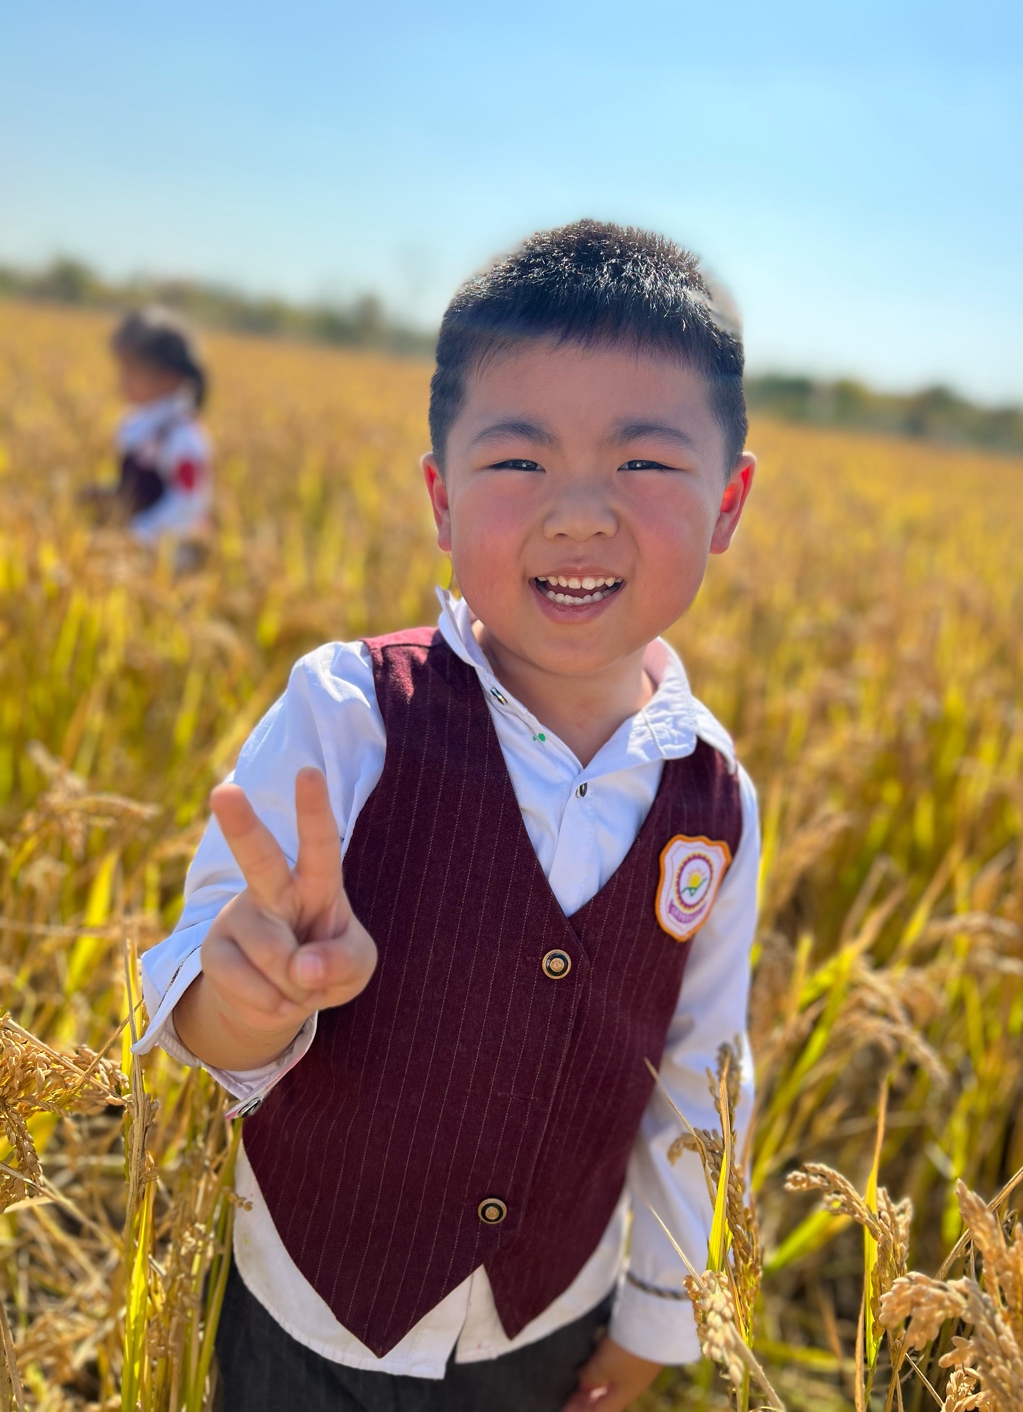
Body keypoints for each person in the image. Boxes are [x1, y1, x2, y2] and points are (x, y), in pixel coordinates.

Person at [134, 220, 760, 1412]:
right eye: (519, 460)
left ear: (728, 503)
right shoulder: (348, 711)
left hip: (549, 1321)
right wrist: (251, 1001)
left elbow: (702, 1073)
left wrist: (660, 1316)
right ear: (440, 496)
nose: (580, 512)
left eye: (644, 462)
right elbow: (201, 1002)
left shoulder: (716, 797)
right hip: (312, 1310)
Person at [85, 306, 212, 563]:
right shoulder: (141, 424)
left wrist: (136, 535)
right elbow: (144, 486)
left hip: (168, 551)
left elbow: (187, 503)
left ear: (168, 379)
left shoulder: (182, 436)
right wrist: (111, 493)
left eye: (131, 371)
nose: (122, 380)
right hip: (136, 539)